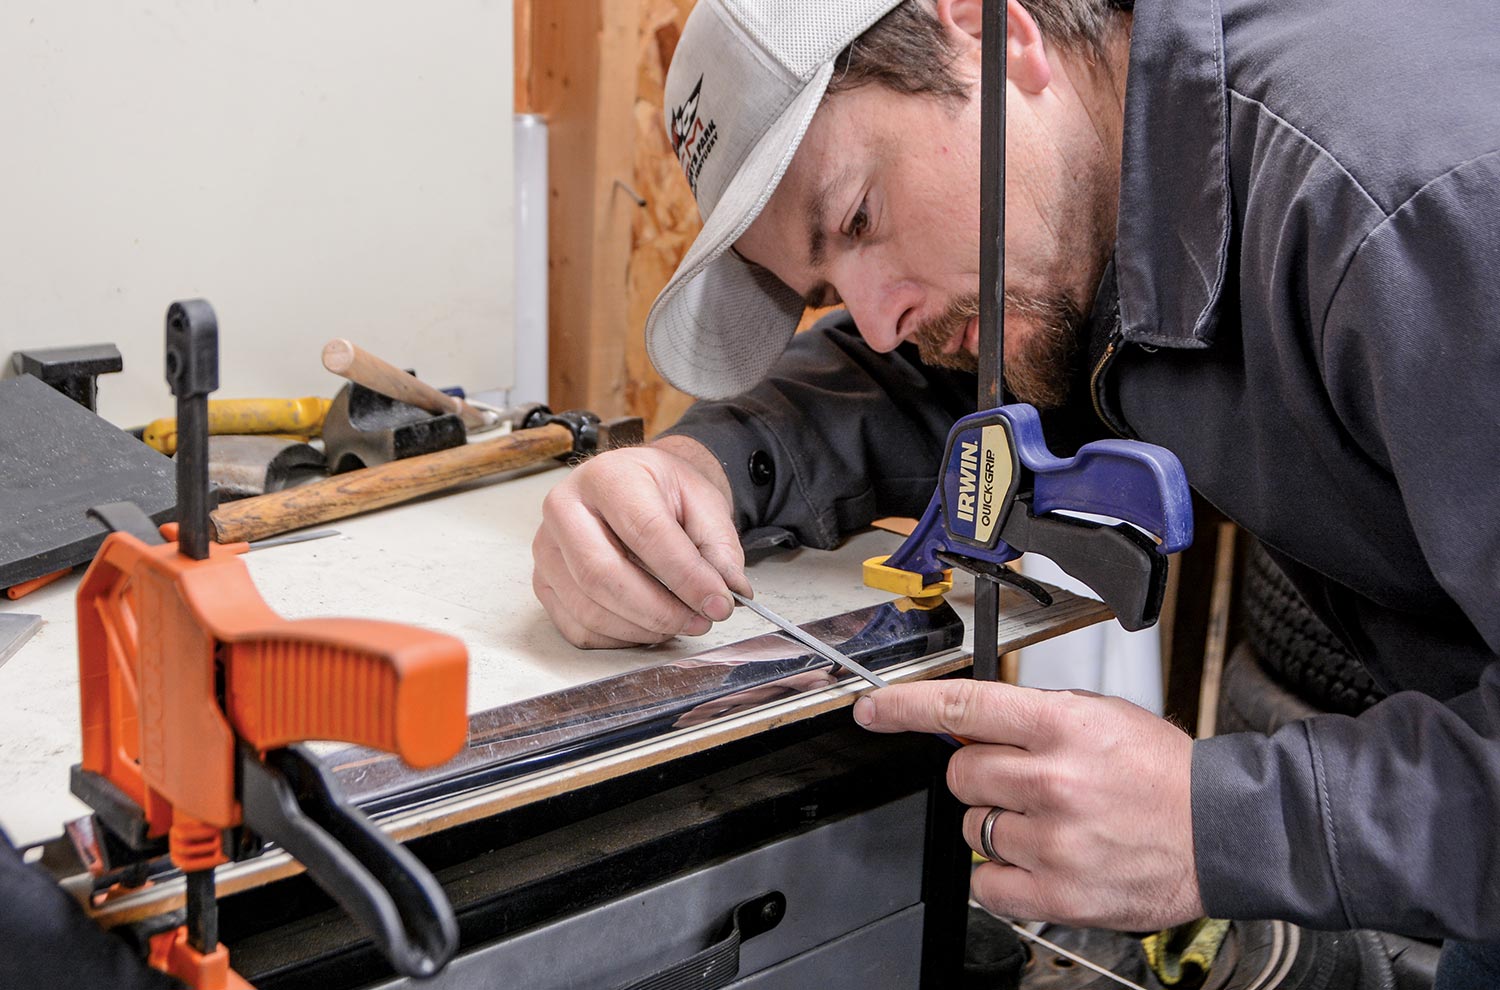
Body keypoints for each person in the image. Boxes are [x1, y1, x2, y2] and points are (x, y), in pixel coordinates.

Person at [530, 0, 1500, 982]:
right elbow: (917, 385)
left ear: (993, 34)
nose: (874, 321)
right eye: (829, 286)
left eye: (860, 217)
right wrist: (701, 470)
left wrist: (1225, 825)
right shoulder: (1115, 194)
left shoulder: (1412, 214)